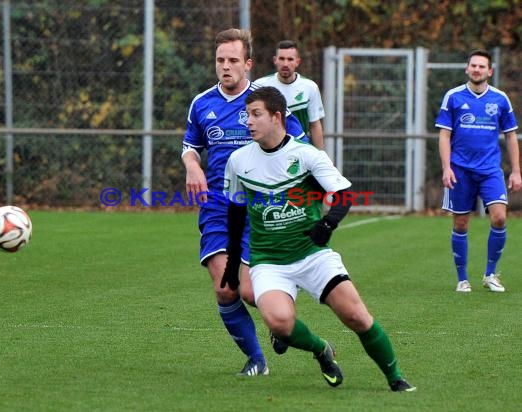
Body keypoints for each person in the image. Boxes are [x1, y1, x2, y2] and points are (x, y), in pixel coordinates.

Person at [221, 86, 416, 392]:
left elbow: (344, 195)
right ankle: (321, 350)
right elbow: (235, 214)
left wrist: (327, 224)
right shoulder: (238, 160)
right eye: (247, 115)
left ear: (277, 117)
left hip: (313, 255)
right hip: (268, 261)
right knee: (280, 324)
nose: (249, 121)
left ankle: (396, 379)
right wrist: (234, 263)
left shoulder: (307, 155)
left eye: (256, 114)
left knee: (357, 316)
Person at [181, 29, 306, 376]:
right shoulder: (202, 103)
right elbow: (190, 146)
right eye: (220, 60)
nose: (225, 66)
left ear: (248, 64)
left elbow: (300, 146)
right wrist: (193, 166)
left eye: (233, 60)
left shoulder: (267, 101)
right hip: (219, 205)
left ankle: (280, 313)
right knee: (225, 288)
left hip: (263, 207)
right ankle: (257, 360)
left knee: (252, 292)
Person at [436, 49, 521, 293]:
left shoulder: (500, 99)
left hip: (490, 170)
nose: (477, 69)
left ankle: (490, 274)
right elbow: (444, 134)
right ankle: (462, 279)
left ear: (489, 71)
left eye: (482, 66)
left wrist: (516, 171)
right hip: (460, 170)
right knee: (461, 223)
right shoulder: (453, 97)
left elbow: (511, 136)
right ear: (467, 68)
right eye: (473, 65)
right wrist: (447, 168)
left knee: (500, 217)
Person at [254, 40, 325, 149]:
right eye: (281, 59)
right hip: (268, 151)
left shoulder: (310, 87)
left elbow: (315, 125)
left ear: (297, 62)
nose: (285, 64)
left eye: (290, 59)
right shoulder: (260, 86)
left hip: (299, 150)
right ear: (275, 60)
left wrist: (321, 156)